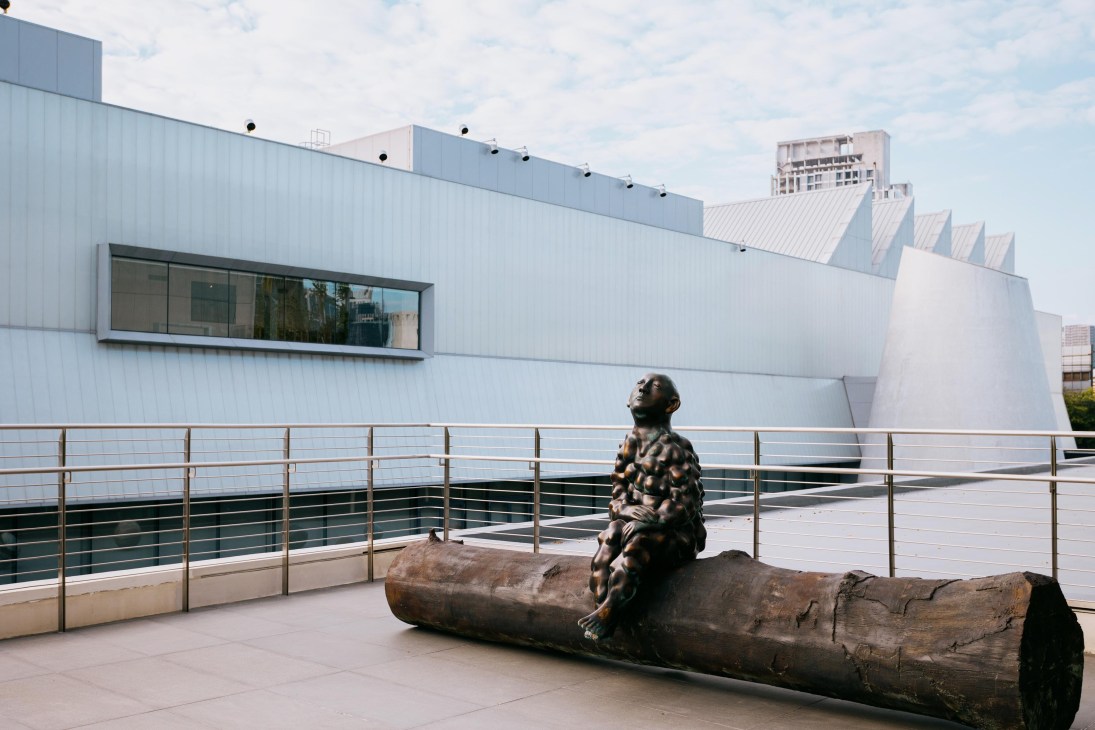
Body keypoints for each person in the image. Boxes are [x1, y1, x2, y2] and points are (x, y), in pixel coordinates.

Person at [578, 373, 706, 640]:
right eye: (639, 384)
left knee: (638, 541)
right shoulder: (628, 444)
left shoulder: (677, 448)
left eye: (655, 387)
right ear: (628, 400)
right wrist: (625, 510)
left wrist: (653, 520)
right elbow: (617, 493)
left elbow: (686, 503)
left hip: (676, 534)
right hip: (633, 524)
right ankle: (603, 609)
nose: (644, 388)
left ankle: (608, 613)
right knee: (610, 535)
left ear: (671, 405)